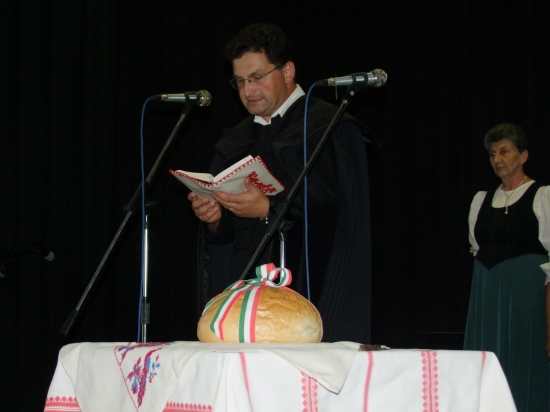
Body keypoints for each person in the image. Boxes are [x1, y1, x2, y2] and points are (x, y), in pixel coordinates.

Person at [187, 23, 372, 343]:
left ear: (287, 71)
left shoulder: (327, 127)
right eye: (240, 81)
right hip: (244, 302)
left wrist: (269, 208)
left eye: (257, 77)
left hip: (307, 293)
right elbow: (229, 239)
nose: (248, 90)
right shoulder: (236, 141)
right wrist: (215, 219)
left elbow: (341, 216)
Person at [463, 123, 550, 411]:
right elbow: (477, 250)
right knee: (488, 365)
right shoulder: (481, 201)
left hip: (528, 301)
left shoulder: (542, 197)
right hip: (487, 300)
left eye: (504, 151)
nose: (497, 159)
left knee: (525, 365)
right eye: (492, 153)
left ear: (523, 156)